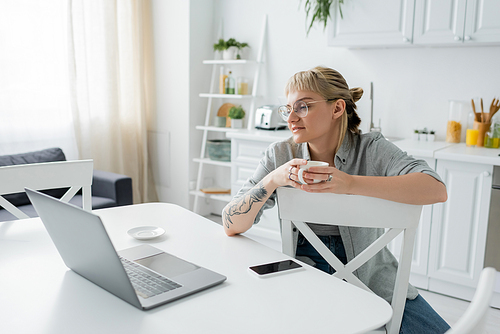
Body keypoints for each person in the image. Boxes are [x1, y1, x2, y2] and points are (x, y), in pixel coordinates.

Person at [222, 66, 450, 333]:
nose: (291, 118)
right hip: (305, 278)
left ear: (337, 108)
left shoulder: (371, 149)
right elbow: (230, 223)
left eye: (303, 107)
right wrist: (273, 179)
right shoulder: (280, 155)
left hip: (372, 277)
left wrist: (350, 183)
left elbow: (435, 188)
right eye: (288, 109)